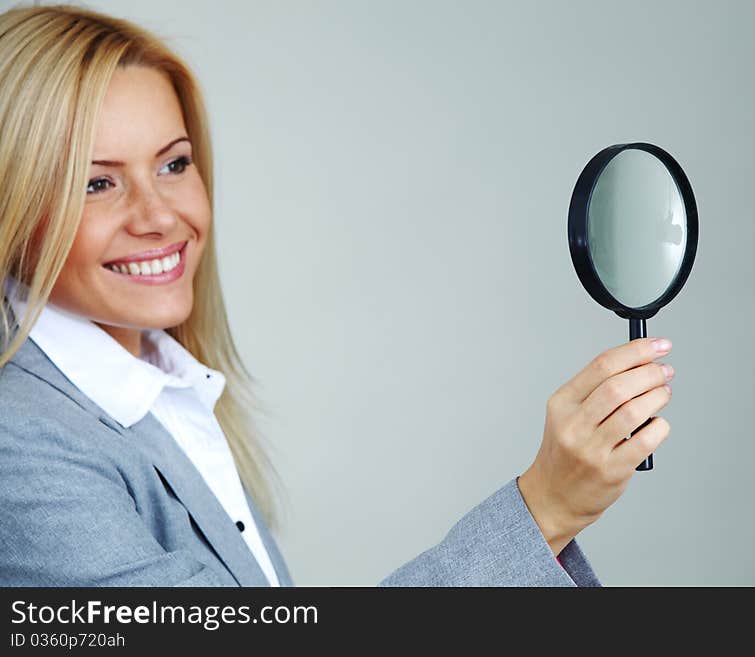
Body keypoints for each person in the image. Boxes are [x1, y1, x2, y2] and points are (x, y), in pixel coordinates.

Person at [0, 4, 674, 587]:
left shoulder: (163, 391)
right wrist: (544, 508)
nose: (158, 215)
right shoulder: (19, 445)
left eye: (174, 164)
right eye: (97, 183)